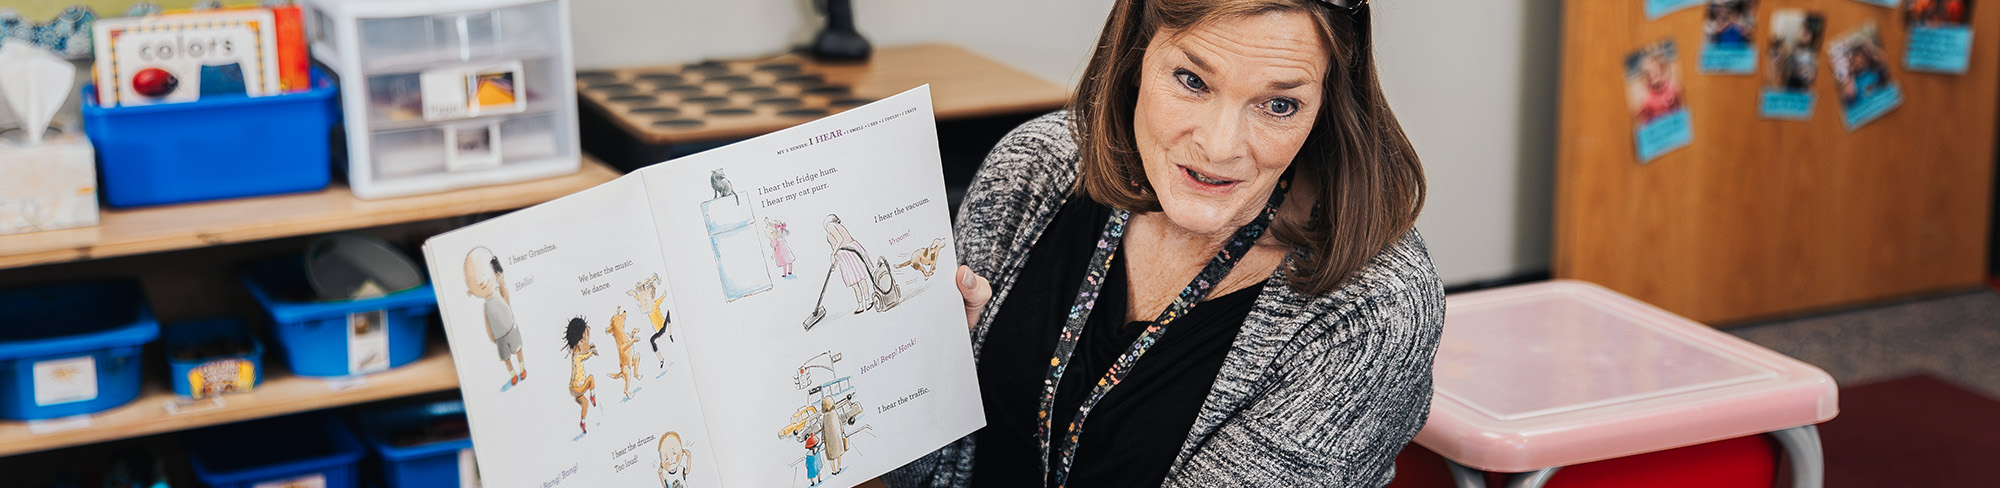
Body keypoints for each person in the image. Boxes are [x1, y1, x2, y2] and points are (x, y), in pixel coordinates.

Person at [886, 0, 1442, 486]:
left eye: (1279, 105)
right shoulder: (1036, 169)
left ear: (1325, 108)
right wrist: (913, 379)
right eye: (1192, 81)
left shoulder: (1371, 307)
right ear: (1134, 59)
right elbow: (931, 475)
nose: (1219, 146)